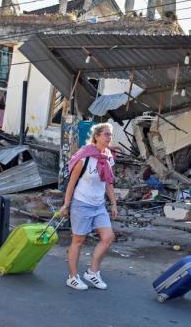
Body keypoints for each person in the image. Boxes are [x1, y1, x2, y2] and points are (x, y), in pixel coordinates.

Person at [60, 123, 118, 291]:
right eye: (106, 134)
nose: (109, 137)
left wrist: (113, 203)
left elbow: (108, 182)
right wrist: (66, 204)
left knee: (108, 237)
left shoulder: (108, 157)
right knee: (78, 241)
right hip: (81, 204)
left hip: (99, 205)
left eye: (110, 134)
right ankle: (72, 277)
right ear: (97, 136)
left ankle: (92, 272)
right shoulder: (85, 157)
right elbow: (71, 183)